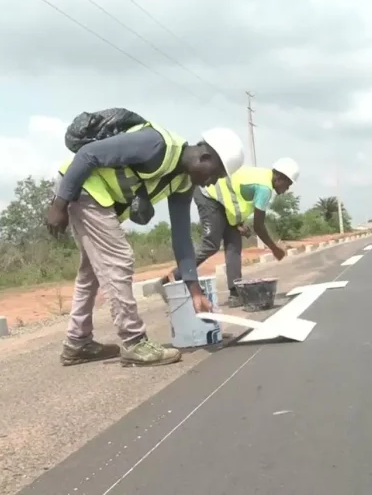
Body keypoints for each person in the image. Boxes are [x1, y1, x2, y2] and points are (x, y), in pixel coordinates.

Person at [45, 122, 244, 367]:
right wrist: (59, 205)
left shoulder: (182, 182)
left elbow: (181, 238)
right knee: (118, 259)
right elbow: (88, 154)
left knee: (92, 272)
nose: (211, 183)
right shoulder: (156, 144)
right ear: (204, 156)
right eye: (215, 174)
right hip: (81, 187)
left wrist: (194, 291)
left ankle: (78, 342)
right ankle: (134, 341)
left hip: (95, 197)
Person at [169, 158, 299, 307]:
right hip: (209, 194)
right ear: (279, 177)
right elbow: (258, 226)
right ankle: (177, 274)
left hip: (224, 203)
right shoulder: (265, 188)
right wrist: (275, 249)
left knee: (234, 244)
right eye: (287, 185)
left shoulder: (262, 176)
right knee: (211, 243)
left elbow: (234, 194)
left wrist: (238, 223)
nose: (286, 190)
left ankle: (235, 293)